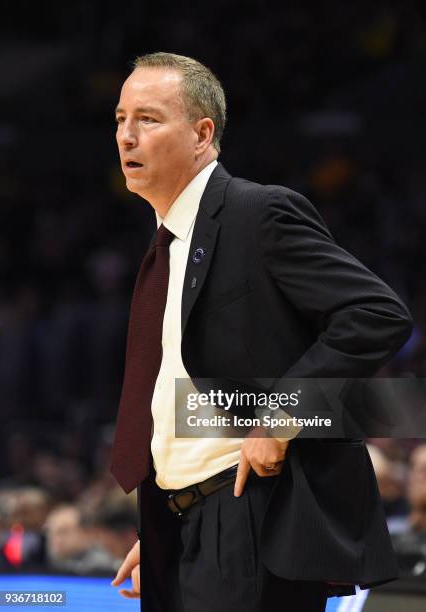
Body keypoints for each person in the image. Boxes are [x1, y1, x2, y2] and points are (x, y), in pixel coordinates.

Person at [109, 52, 413, 611]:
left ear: (203, 134)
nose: (127, 136)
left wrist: (281, 417)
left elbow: (376, 313)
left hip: (253, 518)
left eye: (148, 119)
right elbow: (183, 397)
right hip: (181, 527)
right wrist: (164, 520)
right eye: (120, 119)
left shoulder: (258, 213)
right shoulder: (167, 245)